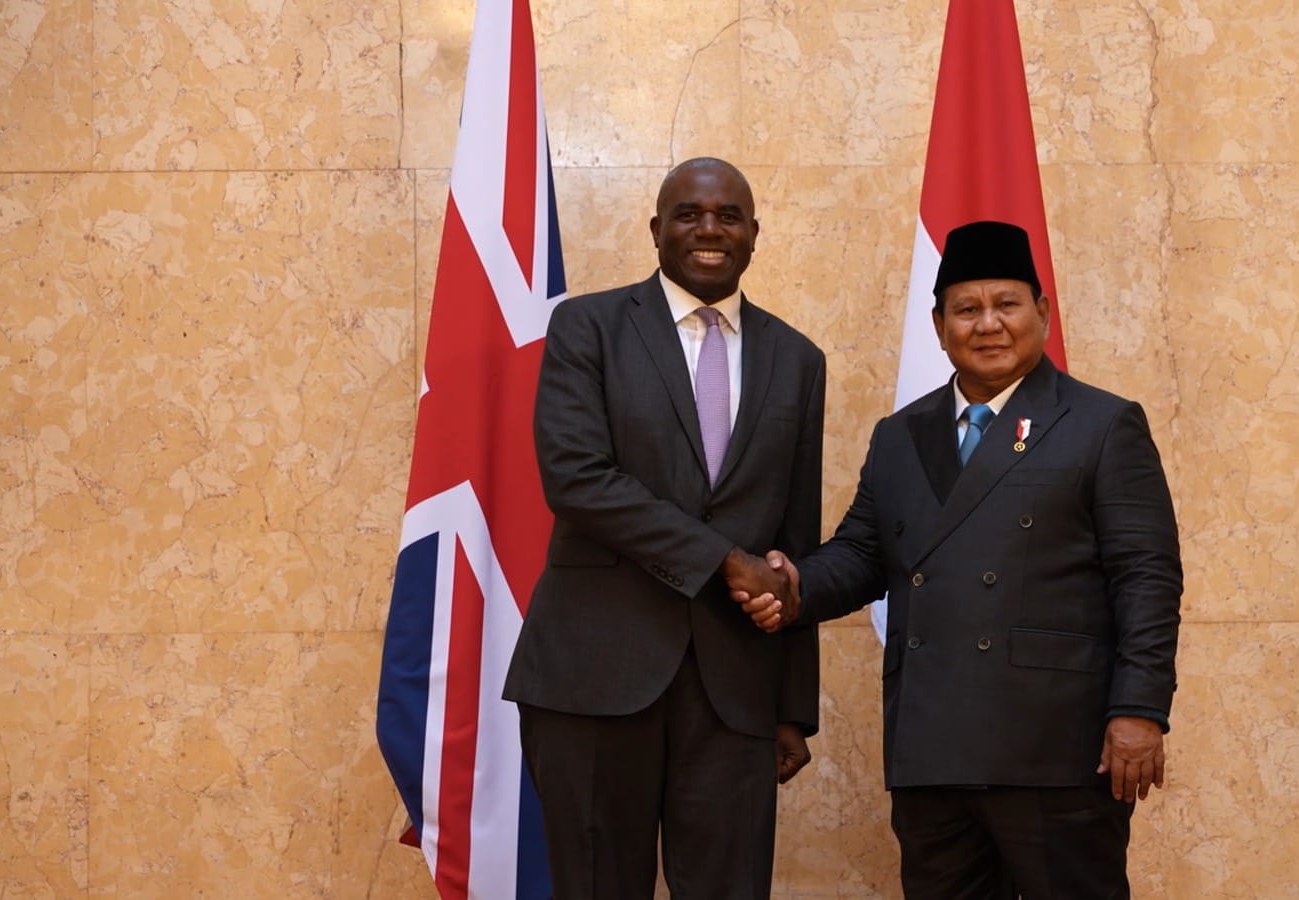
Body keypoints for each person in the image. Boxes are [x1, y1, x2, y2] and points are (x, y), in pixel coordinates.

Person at [735, 220, 1182, 898]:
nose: (988, 324)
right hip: (933, 748)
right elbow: (862, 554)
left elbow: (1146, 578)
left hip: (1055, 749)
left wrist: (1140, 710)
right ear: (939, 326)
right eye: (967, 309)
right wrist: (792, 584)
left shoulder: (1101, 424)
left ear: (1042, 312)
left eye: (1007, 304)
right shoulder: (900, 435)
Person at [502, 157, 824, 900]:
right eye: (688, 214)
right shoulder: (587, 327)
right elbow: (577, 479)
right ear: (656, 229)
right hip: (593, 676)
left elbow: (794, 539)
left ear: (754, 234)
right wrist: (726, 560)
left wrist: (792, 707)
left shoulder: (798, 359)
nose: (709, 230)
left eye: (728, 216)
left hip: (735, 691)